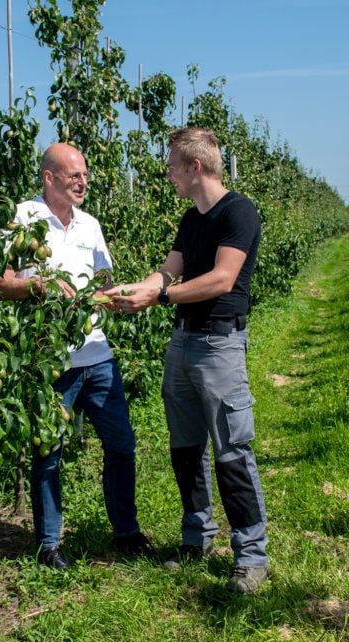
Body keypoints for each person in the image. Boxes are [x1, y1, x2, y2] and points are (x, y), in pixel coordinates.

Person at [107, 127, 270, 594]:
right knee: (185, 449)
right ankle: (196, 536)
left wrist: (158, 298)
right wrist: (130, 291)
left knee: (232, 451)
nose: (169, 174)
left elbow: (221, 279)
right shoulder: (190, 218)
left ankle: (251, 555)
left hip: (219, 346)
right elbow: (167, 271)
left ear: (194, 167)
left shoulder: (238, 212)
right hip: (182, 343)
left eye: (173, 167)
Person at [0, 142, 154, 570]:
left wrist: (103, 297)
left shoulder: (90, 225)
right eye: (73, 176)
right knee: (48, 452)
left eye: (84, 175)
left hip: (97, 354)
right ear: (49, 178)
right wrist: (39, 286)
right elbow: (1, 282)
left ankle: (126, 532)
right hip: (49, 360)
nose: (83, 182)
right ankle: (49, 544)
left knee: (121, 444)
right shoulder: (23, 219)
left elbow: (105, 281)